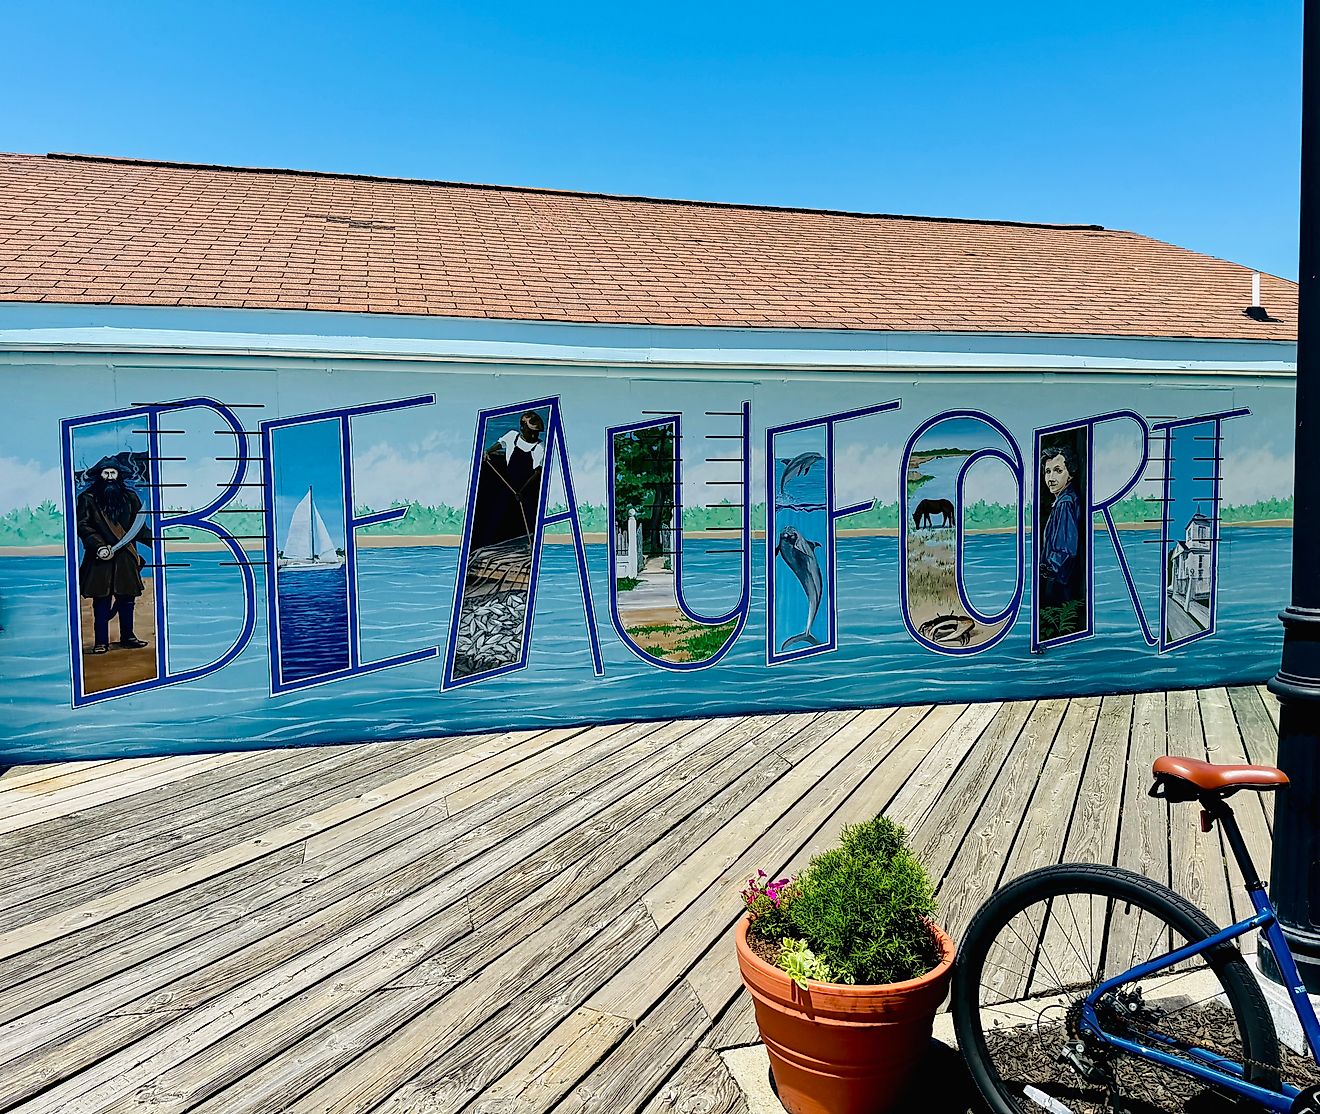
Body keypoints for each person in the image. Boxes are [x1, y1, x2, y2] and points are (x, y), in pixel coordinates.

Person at [76, 456, 151, 654]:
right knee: (101, 602)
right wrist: (99, 546)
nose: (109, 477)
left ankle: (128, 637)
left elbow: (140, 528)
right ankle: (101, 641)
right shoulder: (87, 498)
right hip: (100, 558)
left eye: (113, 473)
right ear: (100, 475)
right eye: (105, 473)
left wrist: (156, 544)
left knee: (127, 600)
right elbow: (83, 526)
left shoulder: (130, 498)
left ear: (118, 475)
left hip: (126, 557)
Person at [469, 410, 546, 550]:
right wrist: (488, 451)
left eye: (537, 433)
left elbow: (537, 473)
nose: (534, 435)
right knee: (498, 513)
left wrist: (521, 492)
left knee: (526, 518)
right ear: (522, 428)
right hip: (508, 484)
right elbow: (500, 444)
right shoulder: (512, 436)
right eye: (531, 432)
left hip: (525, 489)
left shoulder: (539, 448)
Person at [1040, 445, 1082, 607]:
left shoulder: (1065, 503)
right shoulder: (1064, 500)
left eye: (1058, 471)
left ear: (1070, 474)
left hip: (1060, 579)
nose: (1051, 478)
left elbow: (1067, 548)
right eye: (1047, 471)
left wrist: (1048, 568)